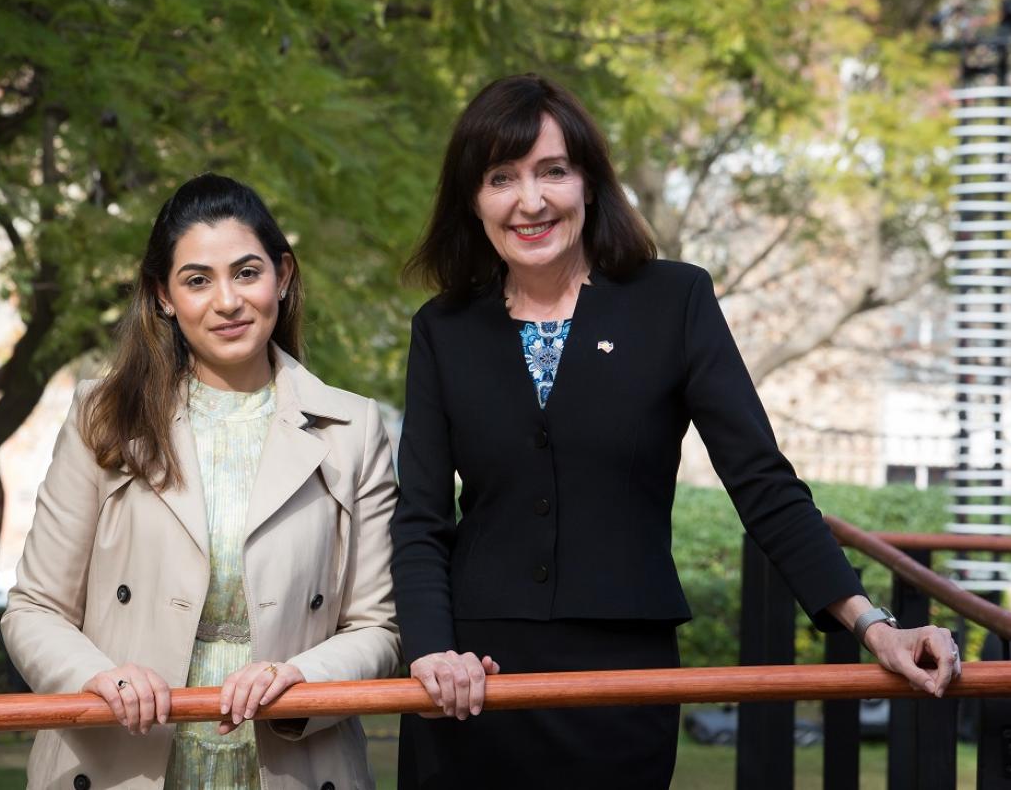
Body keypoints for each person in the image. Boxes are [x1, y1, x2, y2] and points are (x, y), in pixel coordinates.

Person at [390, 73, 962, 789]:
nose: (529, 200)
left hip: (619, 681)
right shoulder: (443, 329)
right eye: (501, 177)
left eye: (552, 171)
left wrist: (872, 623)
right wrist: (432, 650)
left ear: (589, 183)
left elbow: (762, 483)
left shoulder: (673, 300)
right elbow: (419, 518)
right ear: (473, 199)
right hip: (469, 679)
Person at [2, 173, 400, 790]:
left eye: (246, 272)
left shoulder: (353, 427)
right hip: (123, 755)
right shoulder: (101, 416)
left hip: (291, 756)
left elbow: (378, 624)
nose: (227, 301)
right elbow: (35, 607)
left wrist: (303, 680)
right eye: (197, 280)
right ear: (163, 296)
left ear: (283, 276)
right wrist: (95, 676)